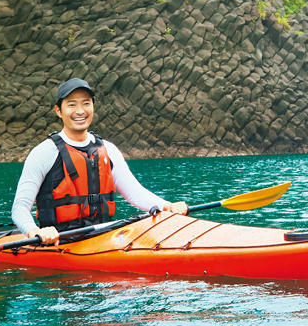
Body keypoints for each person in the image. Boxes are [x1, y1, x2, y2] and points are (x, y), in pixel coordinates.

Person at [11, 78, 187, 246]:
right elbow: (19, 208)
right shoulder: (43, 153)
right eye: (72, 104)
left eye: (86, 103)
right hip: (58, 242)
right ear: (58, 110)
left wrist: (167, 206)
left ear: (93, 106)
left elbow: (135, 193)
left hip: (102, 238)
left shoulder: (108, 149)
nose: (80, 111)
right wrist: (35, 231)